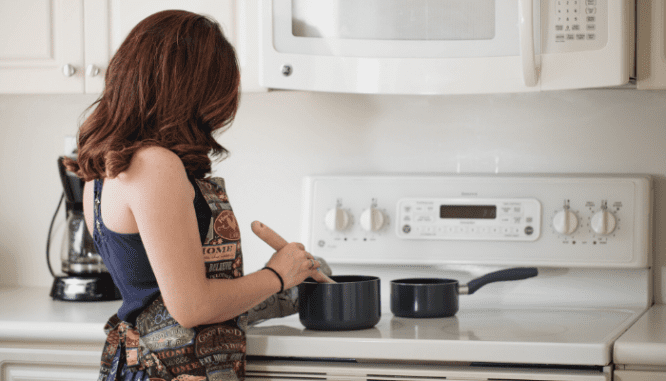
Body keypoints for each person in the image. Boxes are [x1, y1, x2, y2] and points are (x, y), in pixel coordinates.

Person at [64, 10, 328, 381]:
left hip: (143, 363)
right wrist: (277, 274)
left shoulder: (106, 169)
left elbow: (158, 295)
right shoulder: (155, 165)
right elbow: (191, 306)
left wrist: (286, 286)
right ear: (192, 88)